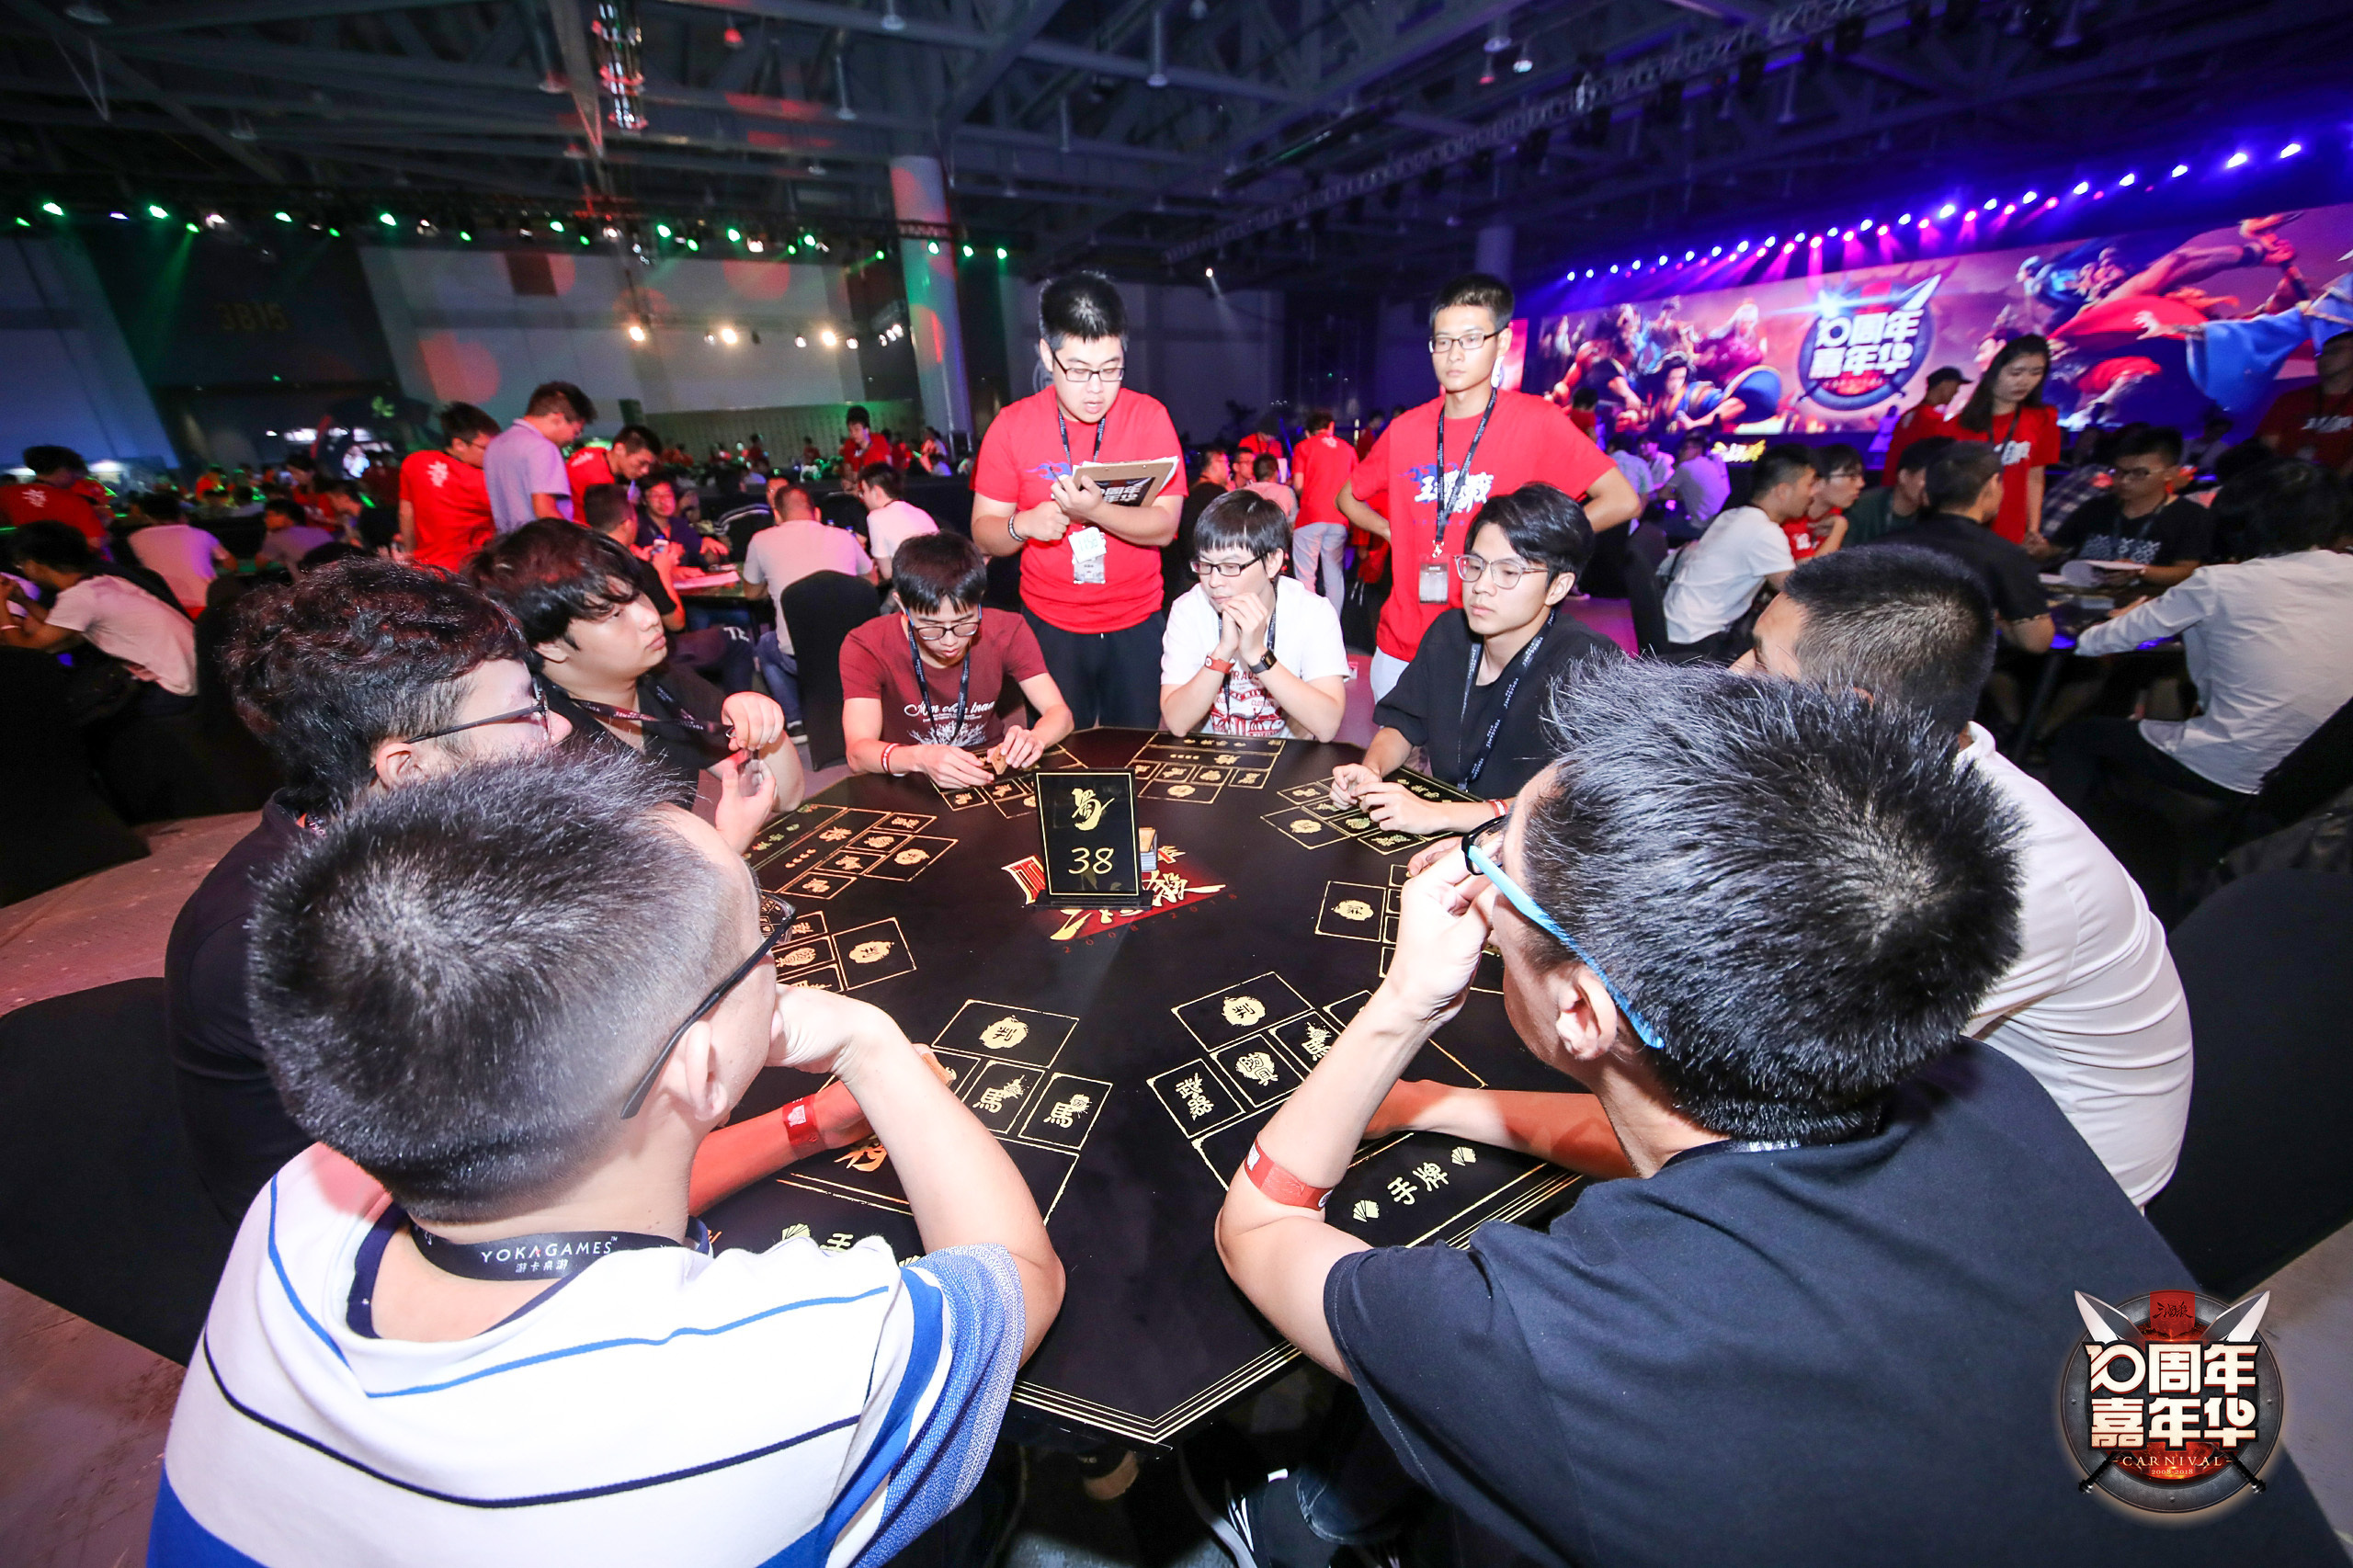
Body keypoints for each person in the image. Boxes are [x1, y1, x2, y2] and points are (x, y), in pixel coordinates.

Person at [1212, 658, 2343, 1568]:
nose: (1469, 882)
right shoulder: (1992, 1092)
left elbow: (1258, 1227)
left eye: (1491, 868)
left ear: (1581, 1008)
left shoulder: (1570, 1342)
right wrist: (1444, 1101)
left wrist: (1404, 1003)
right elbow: (1693, 1160)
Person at [151, 750, 1064, 1566]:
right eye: (766, 937)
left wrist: (802, 1126)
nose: (779, 958)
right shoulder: (777, 1368)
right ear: (701, 1065)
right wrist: (873, 1043)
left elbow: (584, 1205)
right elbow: (1018, 1277)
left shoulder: (297, 1203)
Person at [1733, 546, 2191, 1203]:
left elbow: (1777, 1094)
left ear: (1854, 712)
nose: (1733, 675)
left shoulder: (2008, 877)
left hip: (2051, 1189)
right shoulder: (1875, 774)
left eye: (1759, 662)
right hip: (1935, 1098)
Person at [1336, 274, 1635, 699]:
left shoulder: (1536, 422)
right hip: (1402, 643)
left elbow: (1621, 499)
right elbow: (1348, 497)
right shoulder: (1405, 429)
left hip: (1489, 648)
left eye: (1471, 339)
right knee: (1392, 743)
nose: (1454, 354)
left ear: (1502, 342)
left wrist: (1538, 544)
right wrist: (1389, 529)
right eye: (1443, 341)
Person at [470, 521, 799, 846]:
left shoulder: (658, 679)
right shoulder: (540, 743)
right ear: (550, 645)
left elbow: (788, 795)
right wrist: (728, 844)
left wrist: (762, 724)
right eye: (613, 614)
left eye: (637, 595)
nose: (649, 617)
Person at [2053, 458, 2353, 804]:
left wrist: (2120, 618)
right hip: (2324, 771)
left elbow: (2095, 642)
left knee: (2079, 736)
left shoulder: (2221, 583)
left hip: (2238, 764)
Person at [1331, 483, 1617, 834]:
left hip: (1532, 846)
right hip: (1452, 826)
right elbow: (1402, 723)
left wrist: (1442, 815)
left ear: (1557, 586)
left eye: (1508, 572)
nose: (1481, 585)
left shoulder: (1589, 663)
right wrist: (1372, 770)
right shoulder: (1449, 633)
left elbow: (1572, 797)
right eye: (1475, 565)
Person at [972, 272, 1184, 729]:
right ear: (1047, 355)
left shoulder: (1149, 418)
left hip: (1137, 619)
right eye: (1079, 370)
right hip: (1050, 623)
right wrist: (1024, 525)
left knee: (1136, 753)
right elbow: (984, 532)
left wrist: (1096, 512)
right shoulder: (1011, 427)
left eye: (1111, 369)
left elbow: (1166, 526)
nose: (1095, 389)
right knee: (1061, 756)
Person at [842, 531, 1074, 787]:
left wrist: (1036, 738)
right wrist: (919, 758)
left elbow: (1059, 713)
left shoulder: (1008, 629)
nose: (950, 642)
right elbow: (857, 752)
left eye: (964, 623)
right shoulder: (867, 644)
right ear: (902, 605)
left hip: (985, 765)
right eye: (931, 628)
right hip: (909, 771)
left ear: (979, 598)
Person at [1160, 491, 1348, 742]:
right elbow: (1177, 722)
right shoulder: (1189, 609)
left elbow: (1327, 726)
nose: (1214, 581)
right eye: (1205, 565)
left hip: (1288, 757)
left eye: (1230, 567)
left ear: (1272, 562)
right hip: (1210, 755)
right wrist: (1223, 653)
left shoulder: (1312, 611)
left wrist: (1258, 655)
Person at [1869, 443, 2054, 653]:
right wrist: (1999, 623)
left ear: (1927, 492)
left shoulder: (1881, 546)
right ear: (1992, 485)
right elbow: (2036, 642)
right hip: (1957, 669)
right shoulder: (2005, 555)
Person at [1, 520, 196, 710]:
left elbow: (24, 651)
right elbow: (68, 633)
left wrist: (1, 603)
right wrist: (24, 601)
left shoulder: (79, 598)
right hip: (196, 676)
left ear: (34, 565)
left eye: (21, 565)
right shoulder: (106, 582)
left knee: (71, 709)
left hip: (173, 689)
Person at [1657, 442, 1812, 662]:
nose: (1813, 493)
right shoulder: (1764, 531)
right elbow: (1800, 592)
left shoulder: (1734, 515)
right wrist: (1838, 529)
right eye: (1810, 484)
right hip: (1697, 641)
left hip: (1677, 626)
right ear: (1783, 491)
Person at [741, 477, 874, 721]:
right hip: (853, 651)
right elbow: (871, 581)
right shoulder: (844, 537)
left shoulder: (760, 540)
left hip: (800, 657)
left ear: (777, 515)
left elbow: (750, 593)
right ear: (817, 513)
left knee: (765, 646)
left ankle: (795, 720)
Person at [2029, 425, 2213, 593]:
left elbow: (2187, 571)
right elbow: (2055, 549)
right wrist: (2037, 550)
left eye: (2139, 473)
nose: (2124, 481)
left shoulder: (2190, 515)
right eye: (2118, 472)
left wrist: (2139, 571)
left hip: (2141, 605)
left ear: (2170, 473)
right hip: (2080, 595)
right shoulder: (2097, 507)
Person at [1948, 335, 2060, 544]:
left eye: (2036, 373)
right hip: (1964, 532)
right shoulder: (1957, 425)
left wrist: (2033, 529)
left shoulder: (2043, 419)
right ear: (1994, 371)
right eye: (2016, 373)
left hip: (2013, 533)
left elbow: (2035, 477)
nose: (2025, 381)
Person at [397, 402, 500, 572]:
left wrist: (411, 552)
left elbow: (406, 513)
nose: (492, 454)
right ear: (459, 445)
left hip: (426, 569)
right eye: (485, 447)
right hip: (467, 572)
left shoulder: (414, 463)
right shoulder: (483, 481)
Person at [483, 381, 593, 531]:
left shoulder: (496, 445)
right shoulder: (543, 448)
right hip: (542, 542)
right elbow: (545, 513)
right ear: (558, 419)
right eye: (576, 432)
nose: (573, 439)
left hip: (509, 541)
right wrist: (579, 536)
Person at [2255, 327, 2353, 474]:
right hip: (2288, 481)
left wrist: (2336, 483)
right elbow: (2267, 448)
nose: (2323, 358)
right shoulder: (2290, 400)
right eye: (2319, 353)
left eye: (2335, 350)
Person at [1290, 411, 1358, 616]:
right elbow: (1355, 486)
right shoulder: (1348, 449)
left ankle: (1309, 624)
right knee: (1334, 576)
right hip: (1339, 517)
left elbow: (1298, 486)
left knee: (1306, 576)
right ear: (1331, 427)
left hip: (1311, 516)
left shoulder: (1303, 447)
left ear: (1308, 432)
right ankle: (1333, 624)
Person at [125, 493, 235, 615]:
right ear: (179, 512)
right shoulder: (201, 534)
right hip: (205, 605)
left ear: (147, 516)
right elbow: (231, 565)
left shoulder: (135, 538)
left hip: (167, 608)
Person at [1840, 434, 1948, 547]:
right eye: (1928, 478)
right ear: (1904, 476)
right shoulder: (1863, 507)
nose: (1935, 485)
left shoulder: (1937, 512)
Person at [1, 445, 110, 545]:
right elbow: (96, 542)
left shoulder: (6, 493)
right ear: (63, 471)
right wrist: (103, 526)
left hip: (28, 556)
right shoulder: (74, 500)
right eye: (75, 476)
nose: (76, 481)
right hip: (66, 557)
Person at [1881, 364, 1969, 483]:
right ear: (1944, 384)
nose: (1957, 391)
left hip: (1894, 483)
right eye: (1956, 386)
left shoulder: (1909, 414)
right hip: (1914, 485)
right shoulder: (1931, 417)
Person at [857, 461, 939, 582]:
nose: (863, 498)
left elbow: (887, 573)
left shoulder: (876, 517)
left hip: (915, 586)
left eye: (863, 491)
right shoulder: (920, 512)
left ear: (876, 492)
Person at [566, 423, 661, 518]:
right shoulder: (600, 482)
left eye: (649, 465)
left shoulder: (593, 452)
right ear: (620, 449)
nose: (645, 471)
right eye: (641, 463)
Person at [1662, 432, 1727, 539]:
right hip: (1716, 525)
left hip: (1698, 527)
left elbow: (1663, 494)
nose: (1680, 452)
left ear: (1698, 449)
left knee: (1655, 527)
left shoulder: (1686, 467)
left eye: (1685, 448)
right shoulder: (1713, 463)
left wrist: (1680, 497)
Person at [254, 495, 335, 572]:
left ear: (284, 517)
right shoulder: (320, 531)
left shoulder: (276, 538)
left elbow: (259, 565)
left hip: (308, 582)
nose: (265, 520)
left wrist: (269, 534)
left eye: (269, 516)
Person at [2182, 406, 2237, 473]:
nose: (2216, 435)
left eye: (2221, 433)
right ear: (2206, 428)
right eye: (2215, 431)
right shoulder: (2185, 443)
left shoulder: (2223, 449)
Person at [1244, 452, 1298, 521]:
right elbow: (1294, 521)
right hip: (1278, 527)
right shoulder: (1286, 491)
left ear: (1254, 473)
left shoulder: (1243, 492)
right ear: (1276, 473)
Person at [838, 404, 882, 472]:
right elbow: (848, 469)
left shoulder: (879, 440)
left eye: (857, 429)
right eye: (850, 430)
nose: (853, 434)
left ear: (867, 429)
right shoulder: (849, 444)